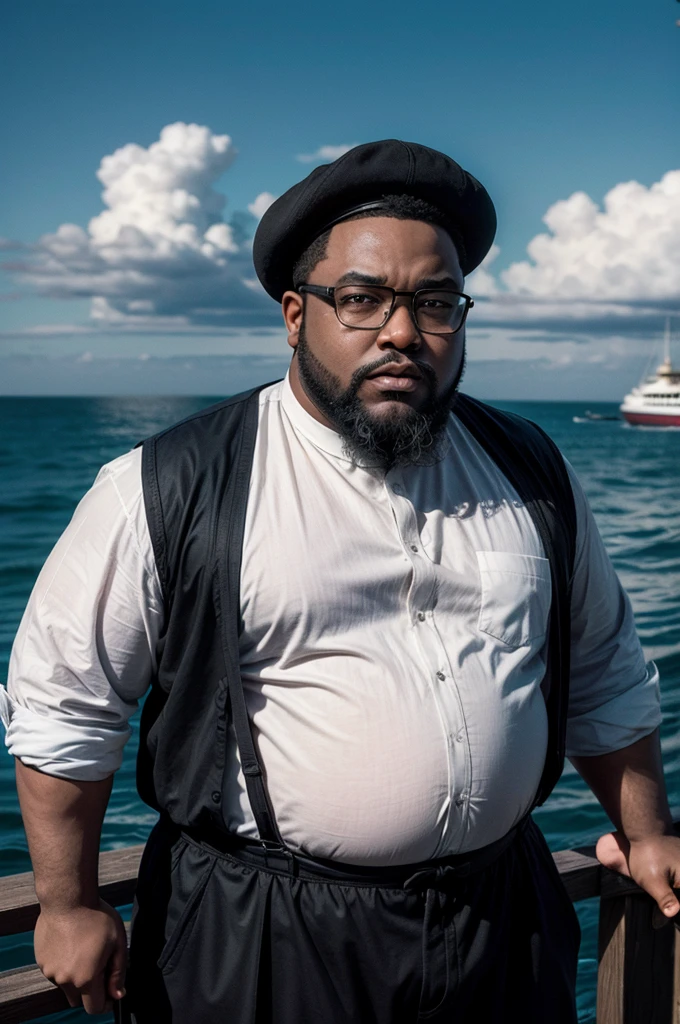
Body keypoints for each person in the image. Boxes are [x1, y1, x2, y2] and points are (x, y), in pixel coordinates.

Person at [1, 139, 677, 1024]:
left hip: (500, 918)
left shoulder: (531, 469)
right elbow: (66, 705)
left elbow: (602, 670)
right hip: (265, 936)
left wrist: (649, 830)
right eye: (362, 300)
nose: (403, 331)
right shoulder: (169, 487)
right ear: (295, 313)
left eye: (435, 302)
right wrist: (68, 902)